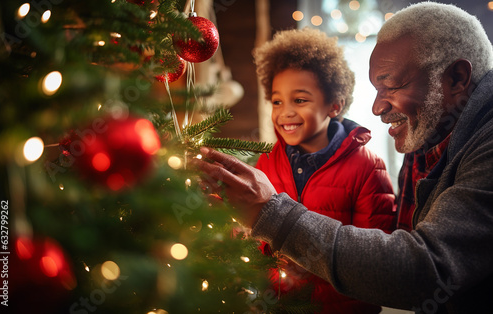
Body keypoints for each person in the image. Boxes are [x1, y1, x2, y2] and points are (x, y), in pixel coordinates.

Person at [196, 2, 493, 313]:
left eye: (390, 85)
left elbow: (422, 271)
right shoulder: (427, 142)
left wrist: (270, 214)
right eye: (276, 100)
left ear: (457, 78)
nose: (377, 108)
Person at [251, 27, 395, 313]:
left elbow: (374, 259)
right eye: (277, 101)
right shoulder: (266, 162)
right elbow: (256, 237)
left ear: (334, 105)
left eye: (300, 100)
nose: (285, 112)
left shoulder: (368, 167)